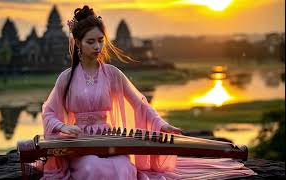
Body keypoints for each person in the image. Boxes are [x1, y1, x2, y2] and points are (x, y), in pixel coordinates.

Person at [41, 5, 257, 180]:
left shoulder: (113, 74)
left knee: (123, 168)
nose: (97, 46)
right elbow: (49, 112)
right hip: (80, 143)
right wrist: (63, 126)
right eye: (91, 41)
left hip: (109, 139)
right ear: (78, 43)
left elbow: (140, 104)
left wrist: (161, 125)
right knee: (92, 168)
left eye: (100, 41)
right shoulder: (66, 78)